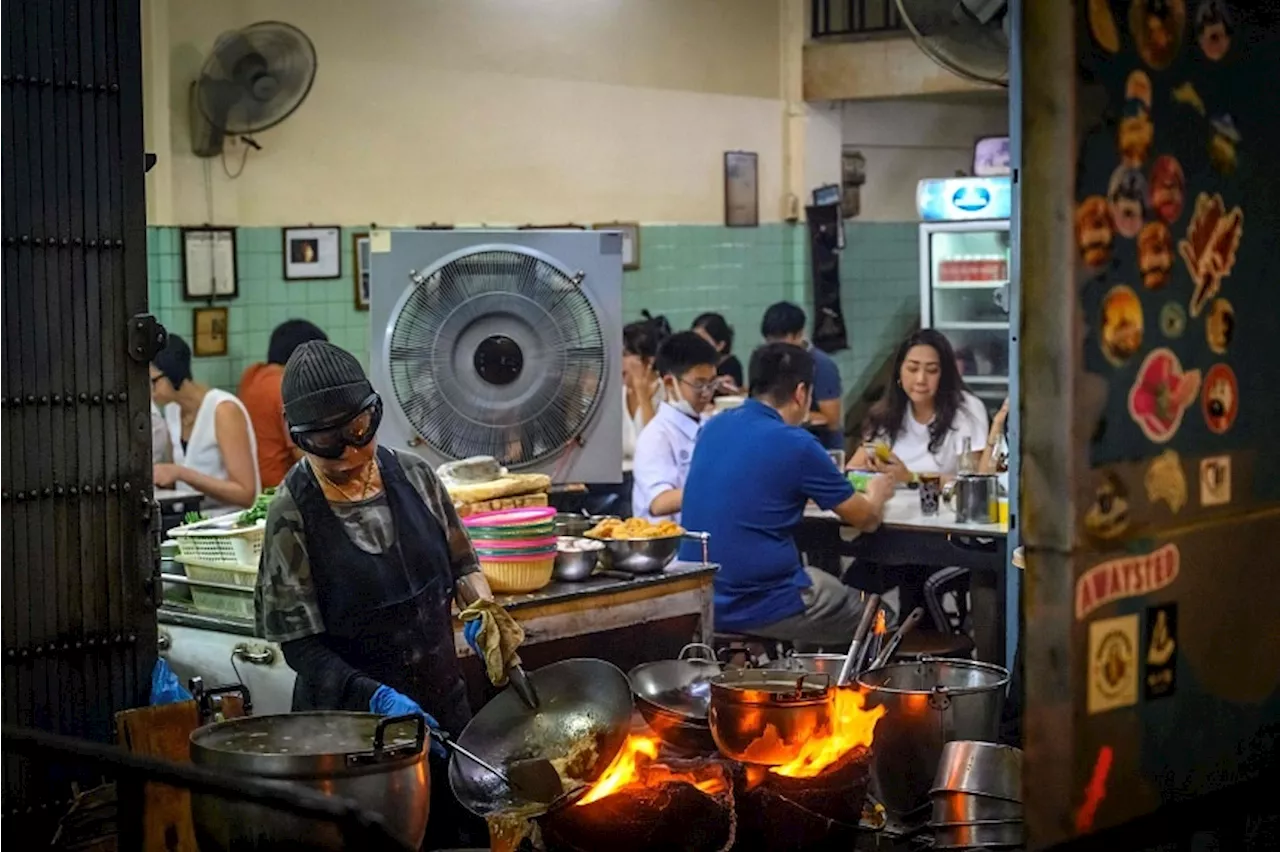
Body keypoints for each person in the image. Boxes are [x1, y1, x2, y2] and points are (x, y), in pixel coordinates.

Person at [254, 341, 515, 847]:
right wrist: (372, 695)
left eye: (359, 433)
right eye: (329, 444)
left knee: (459, 834)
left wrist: (481, 608)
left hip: (443, 709)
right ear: (300, 439)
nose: (351, 454)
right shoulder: (291, 512)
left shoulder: (416, 476)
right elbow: (299, 646)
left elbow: (463, 563)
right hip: (350, 740)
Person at [679, 343, 894, 647]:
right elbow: (867, 519)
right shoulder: (797, 443)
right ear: (802, 393)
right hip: (762, 602)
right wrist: (877, 491)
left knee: (821, 586)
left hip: (699, 597)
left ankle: (809, 678)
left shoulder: (713, 427)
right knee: (882, 618)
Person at [848, 328, 990, 481]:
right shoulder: (885, 413)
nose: (921, 379)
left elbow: (973, 483)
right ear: (899, 373)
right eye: (912, 369)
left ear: (944, 376)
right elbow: (852, 471)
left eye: (932, 370)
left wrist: (911, 478)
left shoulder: (967, 410)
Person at [151, 334, 260, 511]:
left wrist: (181, 473)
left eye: (153, 381)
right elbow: (176, 481)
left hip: (228, 523)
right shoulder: (172, 410)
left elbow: (246, 494)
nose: (149, 390)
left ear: (172, 373)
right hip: (189, 520)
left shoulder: (223, 410)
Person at [632, 332, 720, 525]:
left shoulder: (709, 425)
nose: (707, 393)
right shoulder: (656, 435)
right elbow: (659, 502)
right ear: (671, 383)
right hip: (667, 550)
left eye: (712, 383)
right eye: (699, 384)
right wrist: (721, 488)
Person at [238, 319, 329, 488]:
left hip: (254, 486)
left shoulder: (251, 377)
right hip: (281, 490)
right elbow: (303, 455)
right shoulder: (286, 389)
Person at [760, 302, 843, 450]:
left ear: (799, 335)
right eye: (771, 339)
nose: (775, 345)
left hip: (819, 446)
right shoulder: (772, 359)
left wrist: (788, 412)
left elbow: (832, 420)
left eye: (781, 338)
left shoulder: (821, 365)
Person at [692, 312, 744, 390]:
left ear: (720, 345)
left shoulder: (730, 365)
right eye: (694, 340)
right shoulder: (691, 363)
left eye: (703, 341)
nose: (697, 346)